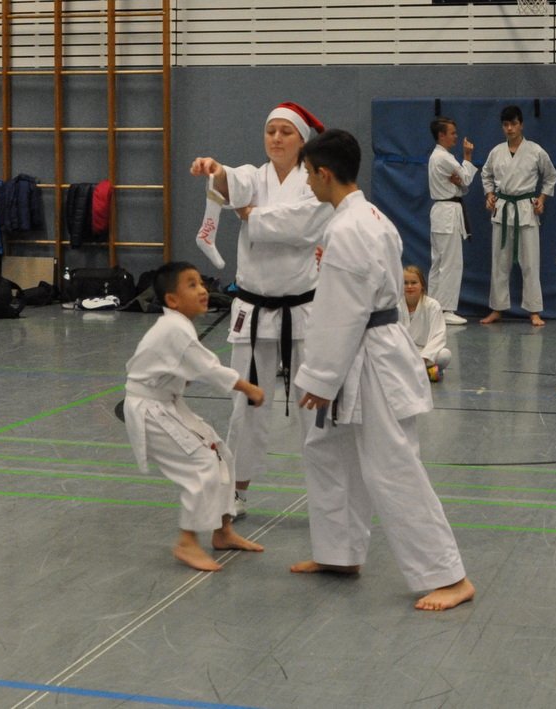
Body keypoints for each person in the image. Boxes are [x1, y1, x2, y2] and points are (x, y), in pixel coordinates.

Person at [292, 128, 475, 611]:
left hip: (369, 356)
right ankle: (338, 553)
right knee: (327, 451)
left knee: (392, 466)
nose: (307, 182)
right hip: (365, 348)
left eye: (308, 173)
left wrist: (320, 377)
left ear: (324, 173)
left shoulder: (348, 228)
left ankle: (450, 576)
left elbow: (341, 311)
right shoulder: (369, 217)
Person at [190, 102, 332, 519]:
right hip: (252, 311)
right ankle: (235, 491)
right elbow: (232, 182)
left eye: (285, 132)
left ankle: (327, 494)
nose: (276, 138)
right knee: (246, 407)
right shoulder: (255, 175)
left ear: (302, 140)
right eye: (271, 131)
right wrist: (215, 169)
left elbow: (304, 225)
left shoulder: (314, 182)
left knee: (313, 405)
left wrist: (252, 215)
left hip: (303, 312)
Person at [123, 261, 266, 572]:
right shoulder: (175, 329)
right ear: (172, 300)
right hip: (151, 408)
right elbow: (209, 369)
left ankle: (223, 530)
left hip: (167, 403)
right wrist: (249, 388)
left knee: (220, 454)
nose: (203, 290)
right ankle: (187, 542)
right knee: (201, 465)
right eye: (192, 285)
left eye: (201, 283)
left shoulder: (178, 326)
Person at [479, 105, 556, 327]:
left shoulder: (535, 151)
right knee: (499, 263)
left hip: (526, 209)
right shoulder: (496, 152)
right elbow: (486, 175)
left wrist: (542, 198)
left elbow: (551, 176)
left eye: (513, 124)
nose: (510, 128)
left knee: (530, 263)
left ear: (521, 124)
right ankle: (497, 308)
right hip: (502, 209)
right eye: (506, 124)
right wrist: (489, 195)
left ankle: (534, 311)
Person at [427, 116, 476, 326]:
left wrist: (460, 183)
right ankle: (446, 309)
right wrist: (468, 156)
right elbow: (466, 179)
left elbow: (462, 186)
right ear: (441, 135)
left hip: (442, 210)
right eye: (452, 133)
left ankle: (432, 308)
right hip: (447, 211)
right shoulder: (444, 158)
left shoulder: (437, 157)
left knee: (438, 262)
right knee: (450, 263)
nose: (456, 136)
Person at [398, 265, 452, 382]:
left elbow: (438, 336)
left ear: (422, 285)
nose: (409, 286)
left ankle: (412, 371)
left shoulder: (433, 306)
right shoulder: (396, 305)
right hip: (403, 353)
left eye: (414, 283)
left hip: (425, 353)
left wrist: (423, 358)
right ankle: (426, 372)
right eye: (405, 283)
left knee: (444, 355)